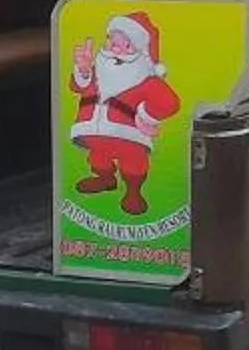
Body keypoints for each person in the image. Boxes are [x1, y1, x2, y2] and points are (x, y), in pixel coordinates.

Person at [69, 11, 182, 217]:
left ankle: (133, 193)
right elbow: (77, 87)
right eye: (113, 42)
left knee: (133, 164)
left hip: (129, 137)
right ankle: (106, 179)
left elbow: (170, 103)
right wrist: (83, 70)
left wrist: (145, 116)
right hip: (95, 132)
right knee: (97, 158)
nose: (117, 49)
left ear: (141, 52)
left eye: (127, 45)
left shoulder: (145, 80)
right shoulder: (98, 70)